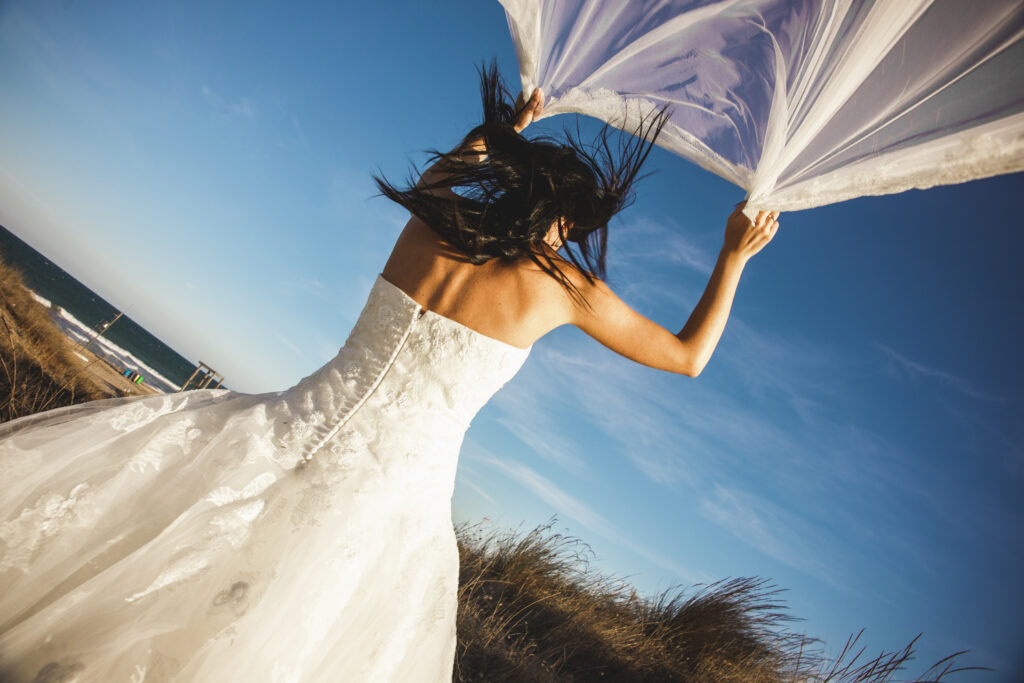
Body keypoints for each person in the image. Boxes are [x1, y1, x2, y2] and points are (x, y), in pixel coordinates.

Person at [0, 65, 778, 682]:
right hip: (388, 504)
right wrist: (733, 254)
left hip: (281, 430)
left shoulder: (434, 217)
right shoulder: (562, 287)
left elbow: (449, 166)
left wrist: (501, 133)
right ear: (572, 222)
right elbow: (688, 356)